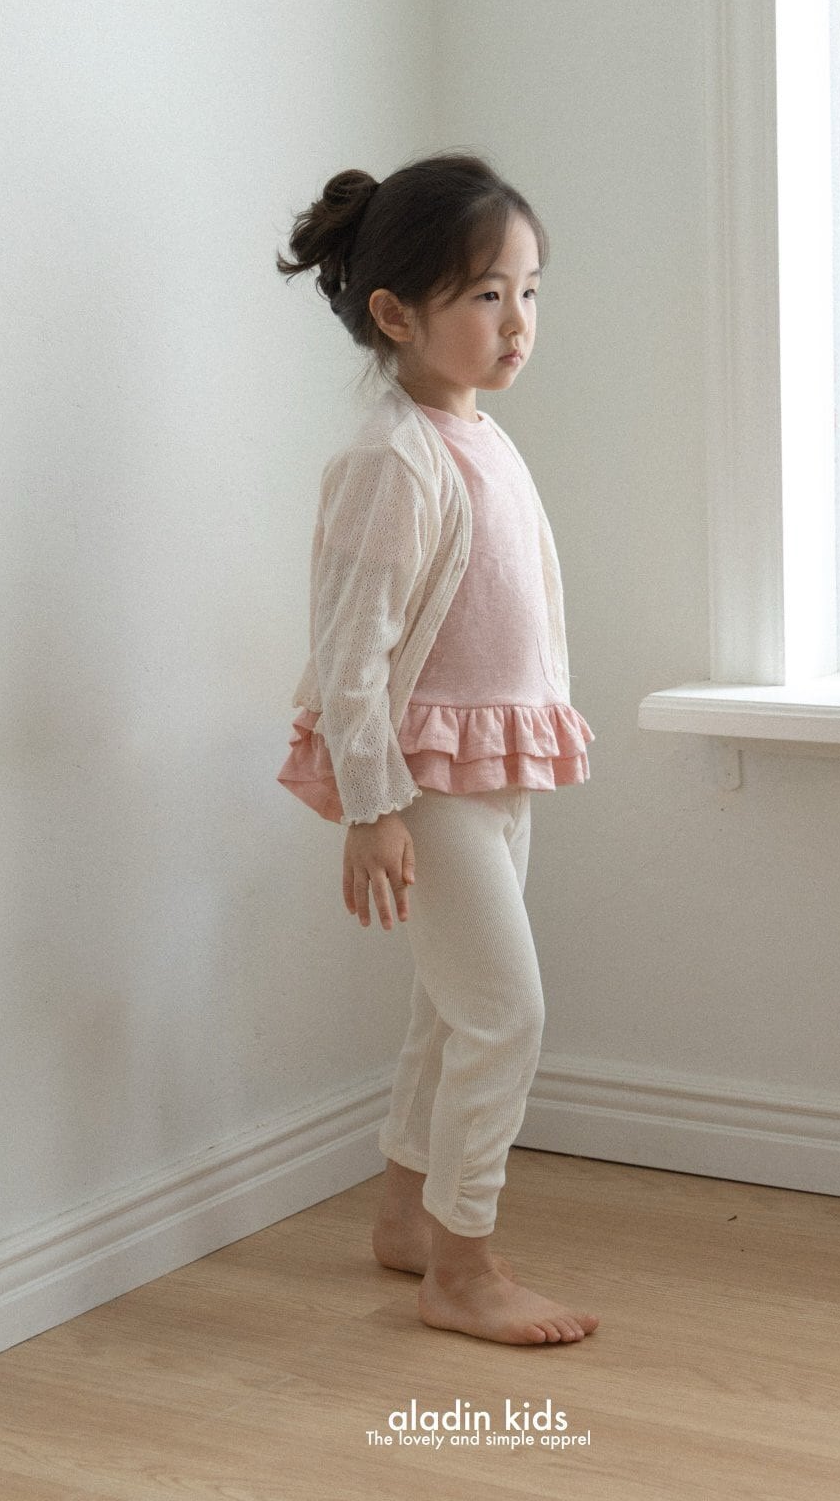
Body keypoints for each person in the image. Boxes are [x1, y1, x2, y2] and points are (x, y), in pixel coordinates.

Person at [275, 151, 599, 1347]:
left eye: (528, 291)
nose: (517, 322)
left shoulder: (481, 437)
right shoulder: (389, 460)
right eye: (484, 296)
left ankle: (407, 1215)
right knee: (505, 1015)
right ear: (396, 313)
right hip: (421, 778)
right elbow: (349, 649)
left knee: (448, 1005)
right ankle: (463, 1266)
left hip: (492, 765)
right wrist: (370, 807)